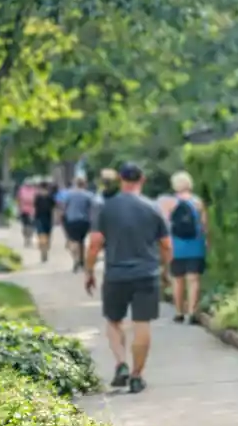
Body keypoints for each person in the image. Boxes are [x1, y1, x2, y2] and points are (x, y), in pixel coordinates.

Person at [83, 163, 171, 395]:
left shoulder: (107, 208)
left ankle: (121, 363)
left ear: (121, 179)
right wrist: (165, 270)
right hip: (146, 274)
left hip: (116, 274)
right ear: (142, 180)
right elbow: (166, 245)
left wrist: (89, 271)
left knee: (113, 321)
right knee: (142, 324)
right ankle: (136, 376)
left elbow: (94, 244)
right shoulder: (153, 208)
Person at [161, 171, 208, 324]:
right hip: (195, 243)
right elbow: (204, 225)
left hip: (176, 245)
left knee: (177, 279)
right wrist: (206, 240)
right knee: (193, 279)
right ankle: (192, 312)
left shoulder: (170, 203)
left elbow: (166, 226)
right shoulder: (198, 202)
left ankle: (179, 312)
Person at [59, 176, 96, 273]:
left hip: (71, 220)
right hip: (84, 221)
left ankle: (76, 259)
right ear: (84, 184)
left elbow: (63, 208)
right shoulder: (89, 195)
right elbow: (92, 209)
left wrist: (62, 217)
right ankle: (81, 260)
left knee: (73, 240)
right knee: (81, 241)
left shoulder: (68, 195)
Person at [32, 182, 56, 262]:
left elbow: (53, 208)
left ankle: (45, 250)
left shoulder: (50, 197)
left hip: (47, 218)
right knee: (42, 236)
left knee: (47, 236)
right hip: (40, 218)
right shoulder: (38, 197)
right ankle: (43, 251)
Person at [17, 179, 37, 247]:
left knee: (30, 226)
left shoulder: (34, 191)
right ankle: (26, 238)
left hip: (31, 211)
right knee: (26, 225)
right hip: (24, 210)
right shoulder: (22, 190)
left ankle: (29, 239)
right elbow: (19, 200)